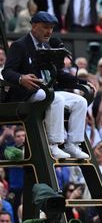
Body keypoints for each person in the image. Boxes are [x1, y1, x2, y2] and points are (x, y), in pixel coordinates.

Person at [3, 11, 90, 160]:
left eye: (51, 27)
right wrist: (21, 78)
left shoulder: (48, 46)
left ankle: (73, 144)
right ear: (34, 26)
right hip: (27, 93)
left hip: (47, 90)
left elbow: (58, 73)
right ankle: (53, 145)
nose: (49, 31)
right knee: (55, 99)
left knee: (80, 102)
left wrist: (82, 82)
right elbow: (7, 71)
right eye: (45, 27)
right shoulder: (20, 45)